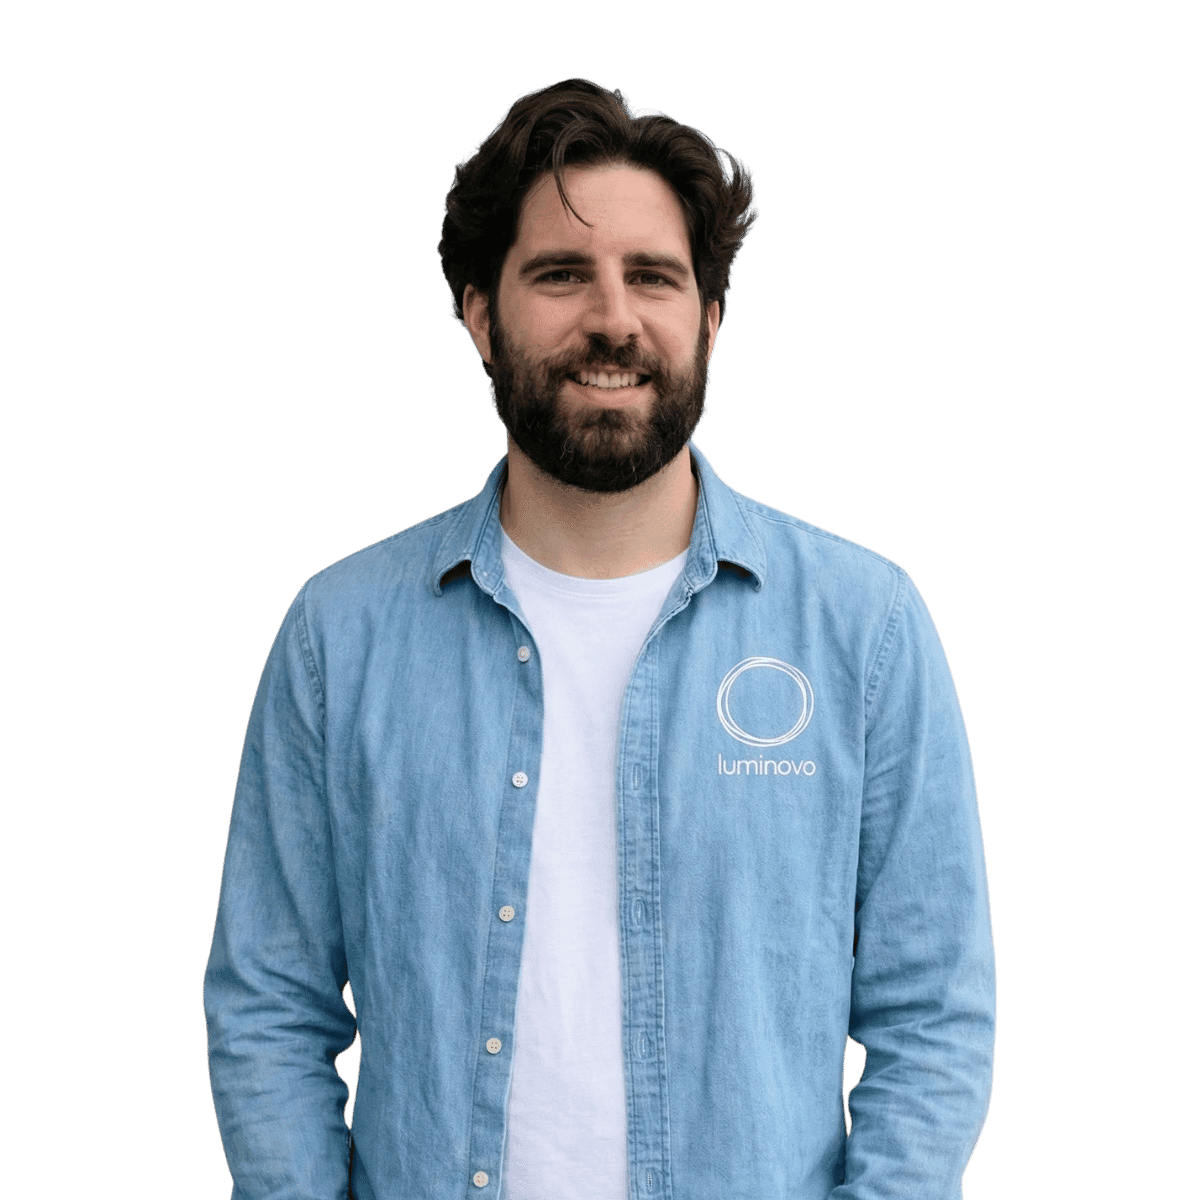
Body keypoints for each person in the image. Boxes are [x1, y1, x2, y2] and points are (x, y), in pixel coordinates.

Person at [203, 78, 996, 1200]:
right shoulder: (340, 638)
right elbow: (270, 1012)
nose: (613, 319)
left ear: (710, 322)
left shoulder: (864, 629)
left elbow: (934, 1019)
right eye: (561, 274)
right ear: (480, 315)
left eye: (654, 277)